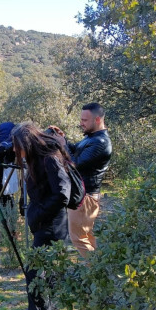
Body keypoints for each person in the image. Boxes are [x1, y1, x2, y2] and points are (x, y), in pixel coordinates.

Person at [11, 122, 71, 310]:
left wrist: (38, 214)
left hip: (51, 227)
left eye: (18, 146)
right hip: (48, 225)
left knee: (34, 274)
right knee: (45, 274)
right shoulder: (40, 158)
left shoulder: (49, 159)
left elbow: (62, 194)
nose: (16, 151)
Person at [49, 103, 112, 258]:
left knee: (79, 238)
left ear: (97, 120)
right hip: (84, 196)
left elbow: (74, 164)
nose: (81, 123)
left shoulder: (101, 143)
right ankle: (98, 270)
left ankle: (95, 272)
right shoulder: (91, 138)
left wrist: (63, 145)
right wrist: (63, 139)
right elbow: (74, 150)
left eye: (85, 120)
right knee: (87, 236)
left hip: (85, 197)